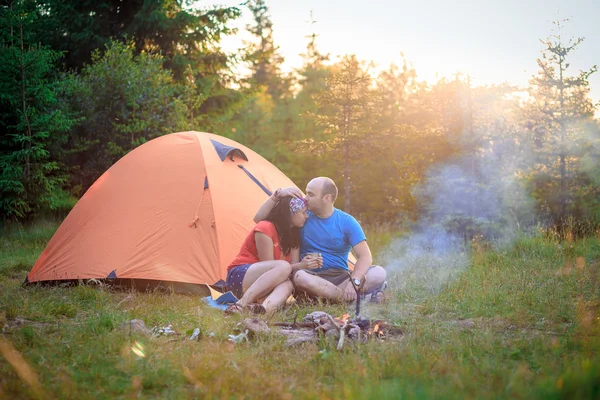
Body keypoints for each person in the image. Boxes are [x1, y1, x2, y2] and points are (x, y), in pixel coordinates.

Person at [254, 177, 387, 303]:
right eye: (306, 193)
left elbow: (365, 256)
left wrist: (354, 281)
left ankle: (334, 297)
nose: (305, 198)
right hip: (309, 276)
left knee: (379, 273)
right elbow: (260, 220)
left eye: (311, 194)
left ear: (327, 198)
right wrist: (277, 195)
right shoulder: (302, 217)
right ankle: (350, 299)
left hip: (340, 277)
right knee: (300, 277)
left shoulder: (347, 222)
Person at [225, 196, 321, 314]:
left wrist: (305, 265)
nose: (306, 216)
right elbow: (269, 266)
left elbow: (290, 268)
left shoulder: (294, 236)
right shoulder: (265, 227)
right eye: (303, 212)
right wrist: (300, 265)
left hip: (263, 286)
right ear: (290, 213)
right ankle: (240, 304)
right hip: (240, 277)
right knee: (283, 267)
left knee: (288, 284)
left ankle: (261, 310)